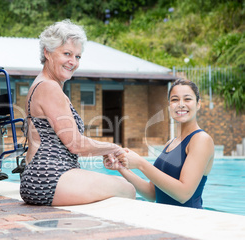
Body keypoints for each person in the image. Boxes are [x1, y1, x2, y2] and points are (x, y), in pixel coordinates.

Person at [20, 20, 136, 206]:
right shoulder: (49, 88)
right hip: (49, 178)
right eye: (67, 54)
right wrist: (113, 147)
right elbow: (76, 145)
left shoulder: (38, 85)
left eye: (78, 56)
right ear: (47, 53)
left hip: (38, 177)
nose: (73, 62)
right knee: (127, 189)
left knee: (120, 185)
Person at [104, 78, 214, 208]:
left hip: (188, 222)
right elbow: (152, 194)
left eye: (187, 99)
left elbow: (183, 194)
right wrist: (121, 168)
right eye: (175, 99)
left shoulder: (201, 140)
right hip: (166, 220)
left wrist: (140, 163)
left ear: (198, 104)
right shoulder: (170, 143)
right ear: (169, 106)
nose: (181, 104)